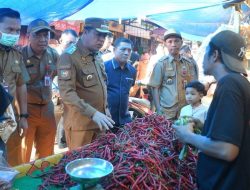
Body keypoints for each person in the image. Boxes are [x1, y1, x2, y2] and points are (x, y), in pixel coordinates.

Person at [173, 30, 250, 190]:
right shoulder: (240, 82)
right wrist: (205, 126)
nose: (202, 58)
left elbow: (227, 150)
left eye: (206, 51)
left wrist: (188, 136)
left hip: (225, 183)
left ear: (214, 54)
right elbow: (235, 132)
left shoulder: (229, 85)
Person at [58, 18, 115, 150]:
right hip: (81, 126)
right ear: (85, 32)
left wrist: (105, 111)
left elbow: (102, 87)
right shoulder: (69, 56)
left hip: (100, 124)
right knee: (80, 166)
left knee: (98, 165)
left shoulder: (97, 56)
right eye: (98, 34)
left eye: (104, 36)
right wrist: (93, 113)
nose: (102, 39)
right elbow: (67, 93)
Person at [21, 19, 59, 162]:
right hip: (27, 109)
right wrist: (21, 114)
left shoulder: (53, 54)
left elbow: (57, 74)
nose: (43, 39)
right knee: (23, 150)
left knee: (47, 150)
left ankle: (43, 178)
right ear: (29, 35)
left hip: (48, 107)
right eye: (38, 35)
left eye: (46, 35)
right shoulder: (20, 55)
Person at [0, 8, 30, 166]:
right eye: (9, 29)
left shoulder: (16, 55)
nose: (13, 34)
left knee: (13, 161)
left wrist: (23, 116)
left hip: (10, 118)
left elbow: (21, 86)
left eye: (17, 30)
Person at [148, 29, 198, 120]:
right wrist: (158, 109)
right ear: (165, 44)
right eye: (170, 41)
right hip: (167, 112)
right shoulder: (161, 64)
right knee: (166, 133)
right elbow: (154, 88)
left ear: (181, 43)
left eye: (176, 41)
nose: (173, 44)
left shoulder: (188, 63)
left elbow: (193, 85)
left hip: (185, 110)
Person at [53, 29, 78, 149]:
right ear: (61, 40)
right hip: (54, 98)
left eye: (74, 43)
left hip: (69, 98)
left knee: (65, 126)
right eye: (69, 43)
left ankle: (61, 145)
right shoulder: (53, 55)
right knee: (53, 126)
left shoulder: (74, 56)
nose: (72, 46)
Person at [105, 37, 136, 130]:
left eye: (129, 50)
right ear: (114, 50)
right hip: (107, 119)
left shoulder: (132, 71)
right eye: (123, 49)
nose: (126, 53)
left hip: (125, 121)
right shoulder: (104, 68)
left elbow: (128, 91)